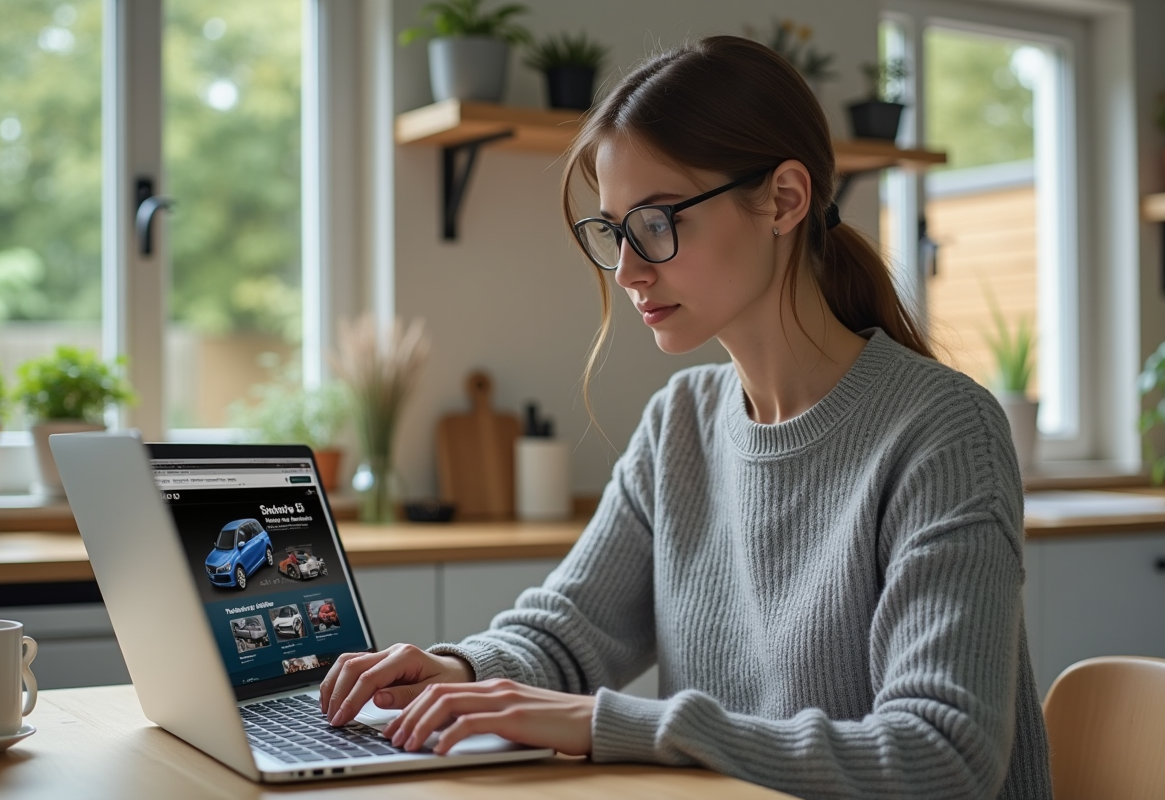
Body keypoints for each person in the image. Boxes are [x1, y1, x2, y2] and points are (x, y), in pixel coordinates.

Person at [320, 35, 1052, 799]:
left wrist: (610, 723)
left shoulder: (943, 430)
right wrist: (462, 668)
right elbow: (571, 631)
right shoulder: (682, 424)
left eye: (659, 222)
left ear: (785, 200)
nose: (631, 270)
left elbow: (942, 758)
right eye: (613, 231)